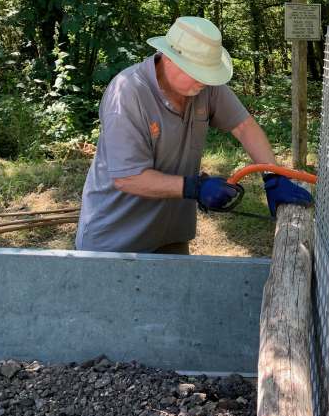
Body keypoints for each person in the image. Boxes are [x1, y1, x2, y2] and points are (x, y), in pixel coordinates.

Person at [75, 16, 313, 254]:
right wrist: (195, 188)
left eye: (208, 73)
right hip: (115, 242)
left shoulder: (205, 86)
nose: (204, 81)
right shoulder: (128, 92)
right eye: (197, 72)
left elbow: (244, 127)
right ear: (168, 58)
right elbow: (128, 178)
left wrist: (273, 176)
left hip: (170, 233)